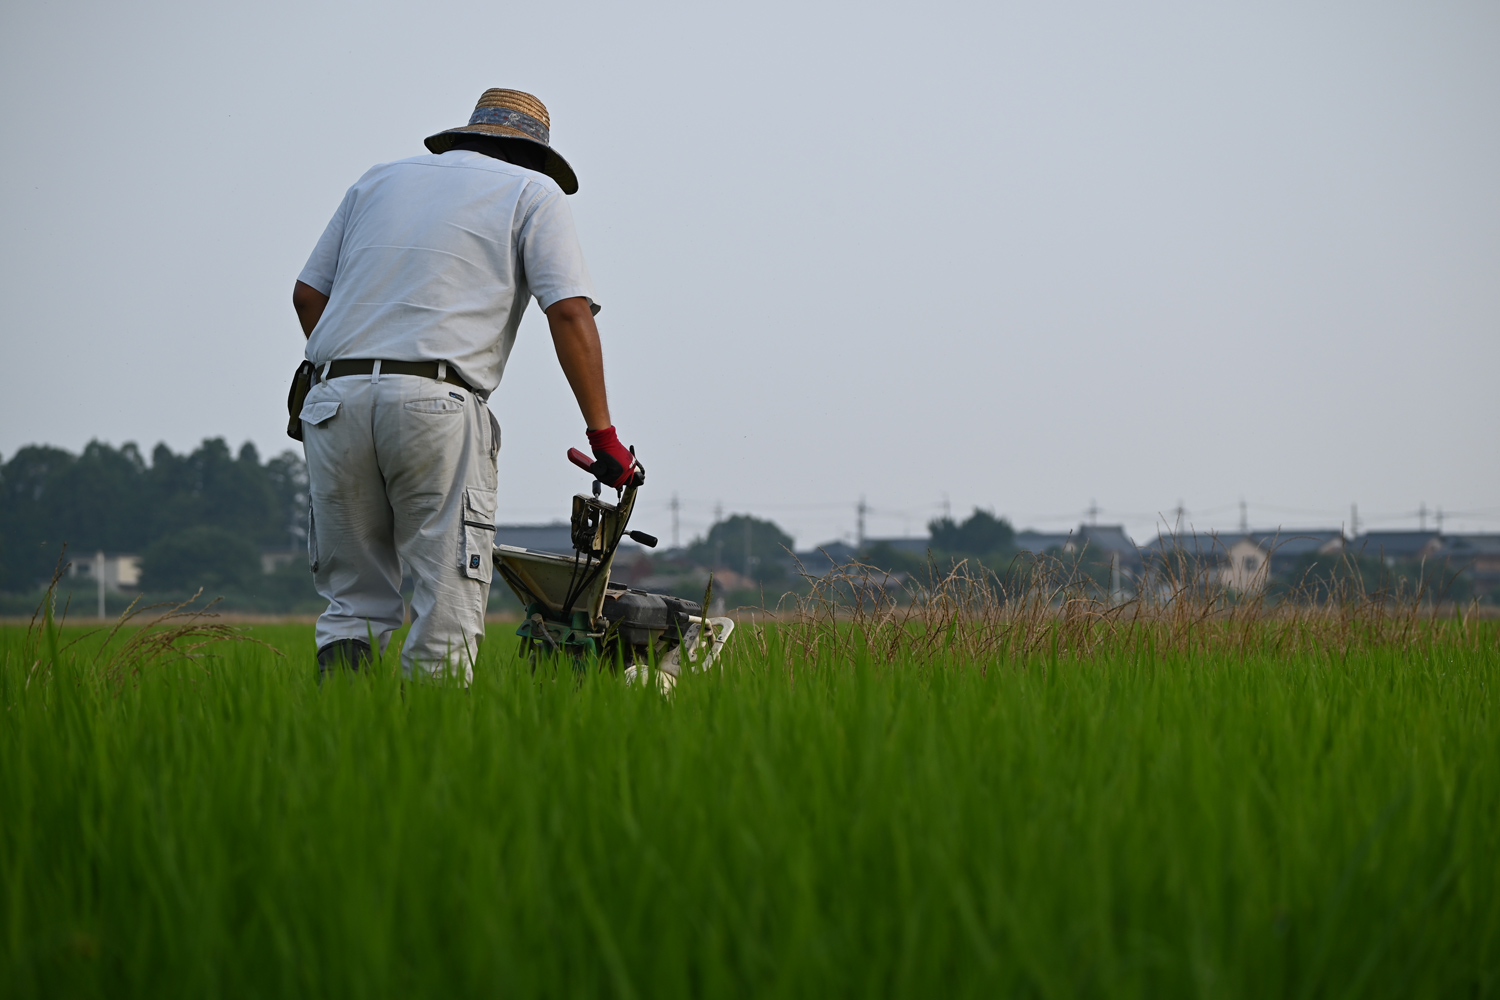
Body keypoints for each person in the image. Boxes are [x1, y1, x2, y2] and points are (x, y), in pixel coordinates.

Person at [291, 88, 637, 682]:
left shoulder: (378, 181)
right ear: (531, 155)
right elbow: (569, 313)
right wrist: (603, 436)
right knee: (445, 600)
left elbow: (308, 295)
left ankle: (337, 757)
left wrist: (358, 364)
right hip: (435, 403)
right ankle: (431, 761)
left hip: (333, 399)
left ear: (465, 138)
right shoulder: (532, 192)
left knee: (352, 604)